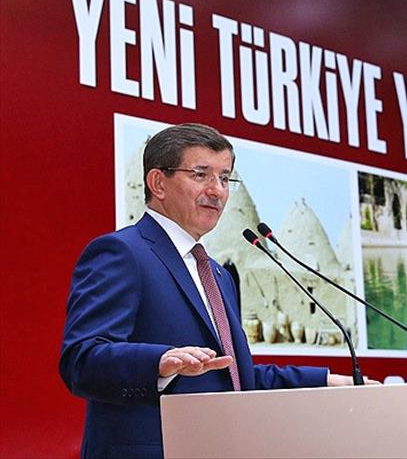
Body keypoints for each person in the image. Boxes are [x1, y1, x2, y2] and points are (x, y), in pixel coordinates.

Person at [60, 123, 360, 458]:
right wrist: (158, 362)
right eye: (200, 175)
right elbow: (82, 361)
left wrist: (326, 381)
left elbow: (230, 375)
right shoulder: (122, 253)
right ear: (158, 183)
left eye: (225, 178)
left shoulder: (218, 274)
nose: (217, 190)